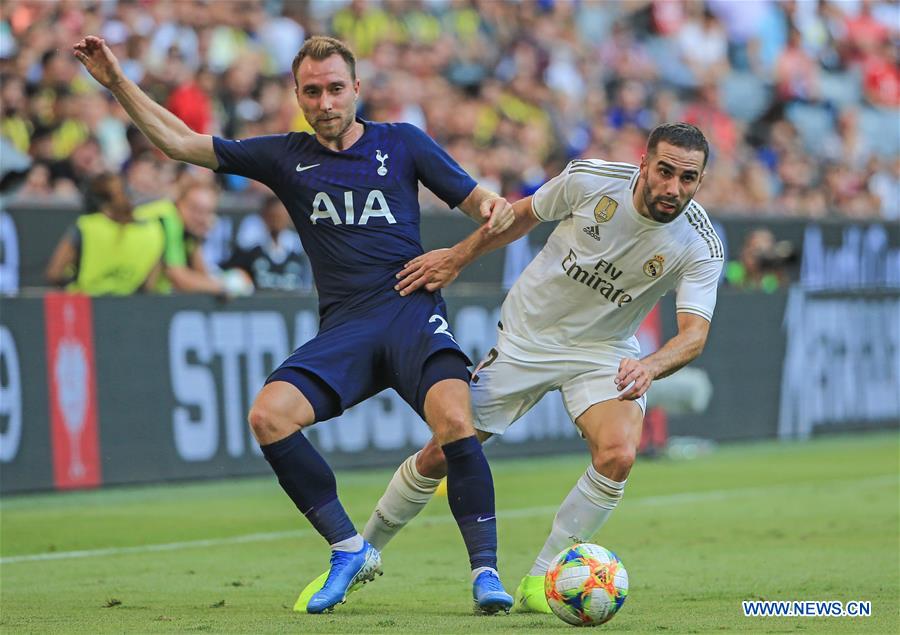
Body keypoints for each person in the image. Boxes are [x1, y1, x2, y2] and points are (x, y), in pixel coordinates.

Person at [73, 34, 516, 614]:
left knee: (456, 421)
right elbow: (180, 143)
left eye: (336, 88)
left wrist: (458, 251)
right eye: (313, 91)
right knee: (268, 416)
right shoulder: (285, 155)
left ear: (356, 89)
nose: (326, 101)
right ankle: (348, 547)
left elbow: (496, 210)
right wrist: (116, 82)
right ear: (298, 97)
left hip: (412, 313)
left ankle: (485, 573)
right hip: (347, 329)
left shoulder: (403, 143)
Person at [299, 123, 724, 613]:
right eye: (665, 171)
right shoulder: (591, 179)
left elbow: (693, 335)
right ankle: (360, 555)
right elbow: (522, 216)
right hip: (527, 338)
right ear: (644, 163)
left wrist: (650, 365)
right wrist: (458, 257)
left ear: (700, 180)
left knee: (618, 454)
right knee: (442, 452)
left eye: (687, 178)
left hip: (602, 351)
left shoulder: (698, 242)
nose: (673, 188)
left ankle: (542, 580)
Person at [45, 172, 165, 295]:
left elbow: (54, 273)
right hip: (129, 308)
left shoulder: (86, 226)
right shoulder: (153, 230)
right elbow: (149, 285)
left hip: (86, 306)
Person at [220, 194, 313, 293]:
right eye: (273, 217)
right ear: (264, 216)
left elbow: (308, 284)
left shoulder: (299, 249)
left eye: (281, 216)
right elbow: (231, 272)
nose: (277, 221)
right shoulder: (251, 248)